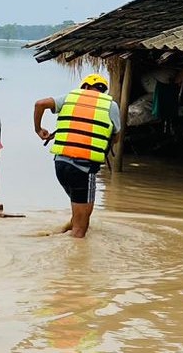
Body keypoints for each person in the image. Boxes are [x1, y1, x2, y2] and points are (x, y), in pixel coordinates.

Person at [34, 74, 120, 239]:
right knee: (82, 227)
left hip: (60, 165)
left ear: (85, 87)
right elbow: (116, 137)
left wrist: (38, 129)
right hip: (83, 169)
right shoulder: (110, 105)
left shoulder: (70, 97)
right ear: (104, 90)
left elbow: (40, 104)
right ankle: (75, 260)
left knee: (78, 207)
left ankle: (63, 230)